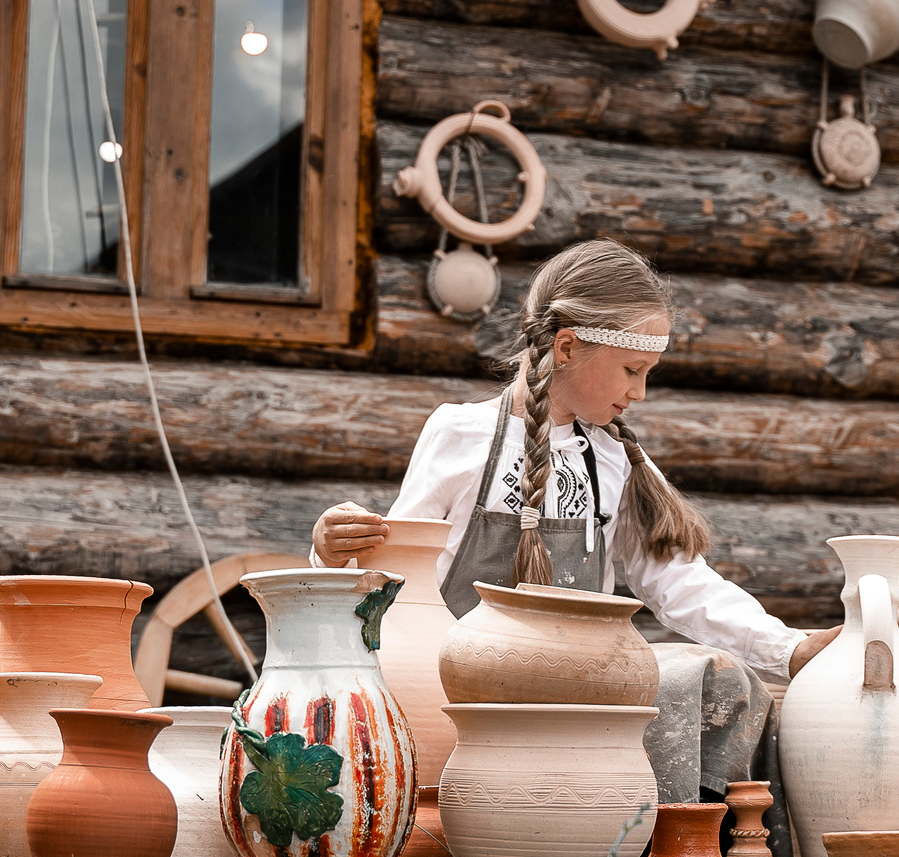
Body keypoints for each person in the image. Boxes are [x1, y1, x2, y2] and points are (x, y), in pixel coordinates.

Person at [311, 240, 836, 682]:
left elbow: (680, 583)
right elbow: (397, 579)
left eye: (648, 372)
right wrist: (331, 552)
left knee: (710, 680)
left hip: (580, 691)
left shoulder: (619, 459)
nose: (641, 392)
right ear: (566, 348)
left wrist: (789, 650)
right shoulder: (460, 435)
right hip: (461, 693)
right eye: (632, 369)